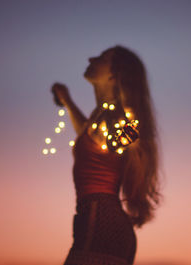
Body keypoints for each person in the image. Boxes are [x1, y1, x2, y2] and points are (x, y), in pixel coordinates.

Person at [51, 45, 162, 265]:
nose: (91, 57)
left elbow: (126, 136)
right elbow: (88, 133)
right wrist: (67, 101)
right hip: (99, 221)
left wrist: (130, 119)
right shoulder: (101, 116)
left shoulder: (117, 116)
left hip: (99, 222)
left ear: (115, 74)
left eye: (102, 57)